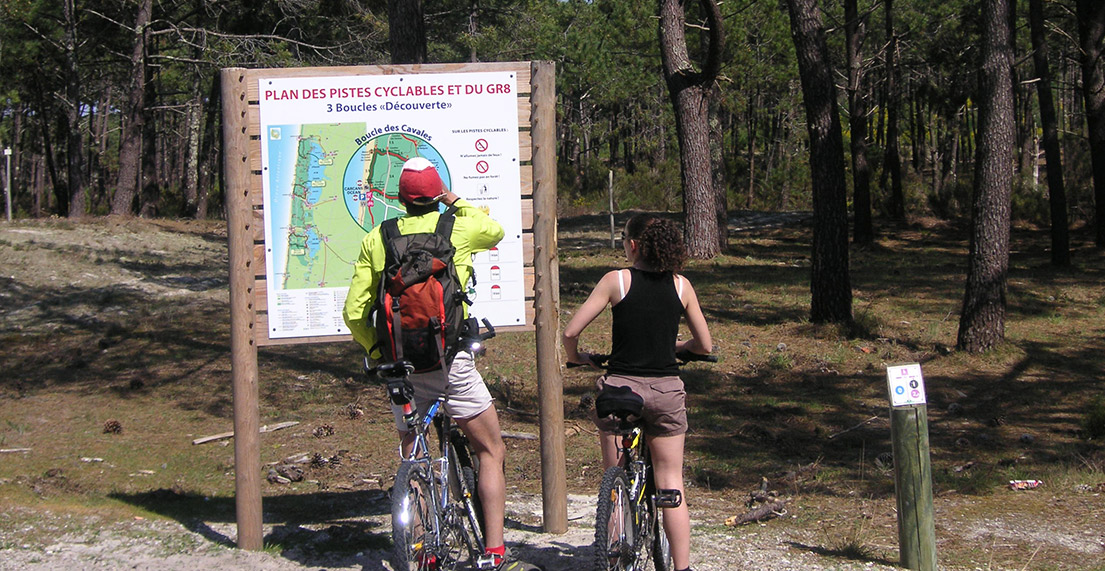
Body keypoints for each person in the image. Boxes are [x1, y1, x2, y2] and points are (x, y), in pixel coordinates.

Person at [344, 157, 534, 571]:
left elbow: (354, 312)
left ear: (399, 199)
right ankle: (495, 552)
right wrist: (455, 200)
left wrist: (378, 353)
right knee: (491, 448)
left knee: (414, 457)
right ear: (436, 195)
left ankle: (423, 550)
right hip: (451, 363)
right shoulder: (459, 227)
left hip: (404, 372)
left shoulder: (379, 237)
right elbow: (497, 231)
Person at [563, 214, 712, 571]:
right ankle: (682, 567)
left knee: (614, 482)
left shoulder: (617, 280)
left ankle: (615, 551)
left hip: (619, 388)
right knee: (670, 483)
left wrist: (577, 359)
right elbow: (705, 345)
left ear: (632, 246)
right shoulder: (681, 286)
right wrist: (678, 348)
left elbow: (570, 332)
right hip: (665, 392)